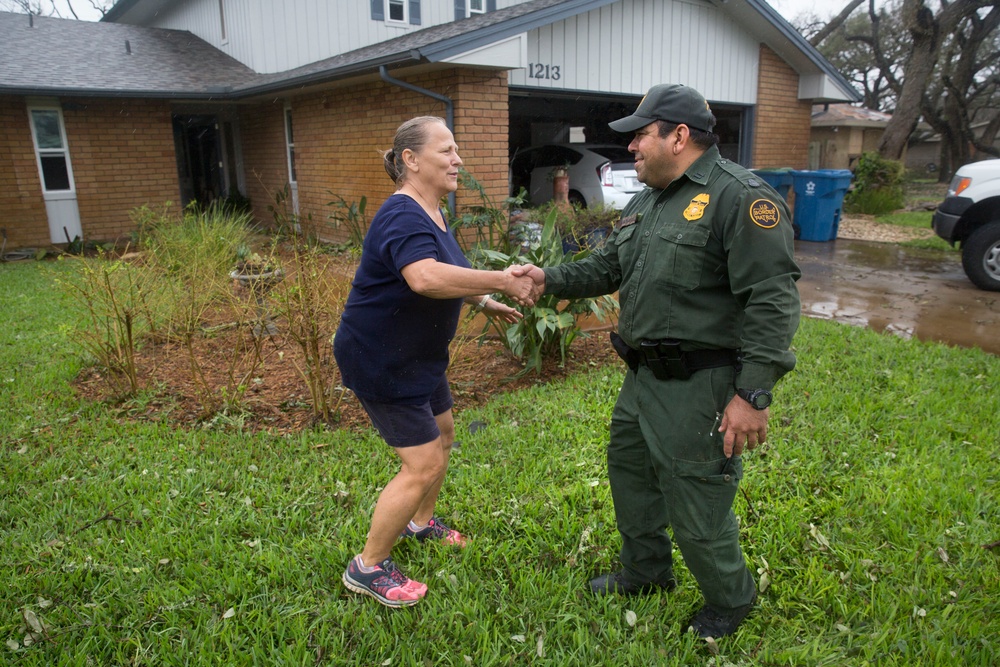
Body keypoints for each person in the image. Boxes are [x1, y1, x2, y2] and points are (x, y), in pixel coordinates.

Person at [515, 84, 800, 638]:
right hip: (642, 378)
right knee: (633, 480)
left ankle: (730, 599)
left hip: (702, 384)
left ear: (679, 135)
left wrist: (754, 394)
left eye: (641, 136)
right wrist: (546, 278)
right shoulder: (649, 199)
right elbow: (606, 267)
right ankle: (646, 574)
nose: (632, 149)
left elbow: (772, 298)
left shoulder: (741, 198)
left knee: (697, 499)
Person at [334, 116, 536, 608]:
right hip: (381, 357)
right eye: (446, 150)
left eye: (456, 149)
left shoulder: (434, 212)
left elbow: (450, 272)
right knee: (421, 464)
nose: (458, 159)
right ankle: (368, 567)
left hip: (418, 355)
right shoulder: (401, 214)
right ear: (411, 159)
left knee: (444, 435)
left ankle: (421, 525)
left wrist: (482, 301)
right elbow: (424, 278)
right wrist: (501, 280)